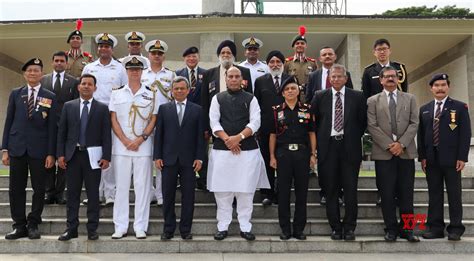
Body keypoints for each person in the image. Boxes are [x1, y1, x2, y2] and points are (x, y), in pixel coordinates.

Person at [207, 67, 270, 241]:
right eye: (230, 76)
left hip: (247, 151)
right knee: (223, 192)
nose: (234, 79)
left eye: (237, 76)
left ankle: (245, 226)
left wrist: (239, 137)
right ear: (226, 79)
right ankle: (223, 226)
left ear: (242, 79)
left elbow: (256, 121)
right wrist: (229, 140)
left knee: (245, 192)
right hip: (222, 151)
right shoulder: (217, 98)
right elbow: (213, 121)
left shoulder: (251, 99)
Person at [2, 58, 57, 240]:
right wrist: (5, 149)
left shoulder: (49, 96)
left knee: (39, 189)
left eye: (36, 70)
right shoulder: (16, 94)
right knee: (15, 189)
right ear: (24, 74)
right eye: (29, 71)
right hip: (17, 148)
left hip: (39, 150)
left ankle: (33, 223)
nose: (33, 73)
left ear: (42, 74)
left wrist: (51, 153)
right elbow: (8, 122)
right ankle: (19, 225)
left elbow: (51, 127)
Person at [311, 64, 366, 241]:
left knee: (350, 190)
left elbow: (362, 122)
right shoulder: (320, 96)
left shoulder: (357, 96)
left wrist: (350, 137)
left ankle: (349, 228)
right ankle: (335, 227)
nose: (335, 79)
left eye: (339, 76)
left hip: (350, 148)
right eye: (332, 77)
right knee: (331, 190)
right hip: (328, 149)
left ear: (345, 78)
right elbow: (314, 121)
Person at [366, 66, 419, 242]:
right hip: (384, 154)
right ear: (380, 80)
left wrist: (401, 144)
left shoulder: (410, 98)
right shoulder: (372, 100)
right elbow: (372, 126)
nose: (390, 79)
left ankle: (408, 229)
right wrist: (390, 145)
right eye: (386, 76)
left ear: (398, 79)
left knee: (407, 193)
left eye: (393, 76)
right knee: (386, 194)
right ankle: (390, 229)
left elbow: (414, 123)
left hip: (406, 153)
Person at [57, 74, 111, 241]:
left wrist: (106, 157)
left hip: (93, 157)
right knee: (72, 194)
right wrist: (60, 155)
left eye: (90, 84)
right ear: (79, 87)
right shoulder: (69, 106)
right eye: (84, 83)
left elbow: (106, 135)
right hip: (73, 156)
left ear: (95, 88)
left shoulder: (102, 108)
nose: (86, 86)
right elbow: (62, 133)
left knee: (93, 194)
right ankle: (71, 228)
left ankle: (92, 229)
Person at [418, 73, 471, 241]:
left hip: (452, 160)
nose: (440, 88)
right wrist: (422, 157)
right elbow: (421, 135)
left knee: (454, 194)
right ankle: (435, 228)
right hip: (431, 160)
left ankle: (455, 228)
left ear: (448, 87)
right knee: (434, 194)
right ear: (431, 88)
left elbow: (465, 134)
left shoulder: (460, 107)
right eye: (436, 85)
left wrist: (462, 157)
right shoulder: (424, 109)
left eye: (443, 85)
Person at [108, 56, 156, 239]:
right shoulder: (117, 93)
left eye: (137, 69)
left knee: (142, 188)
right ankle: (120, 226)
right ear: (126, 71)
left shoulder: (151, 93)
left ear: (142, 71)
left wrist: (140, 139)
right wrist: (125, 141)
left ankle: (140, 226)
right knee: (121, 188)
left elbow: (153, 118)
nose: (134, 72)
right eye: (131, 69)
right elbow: (113, 119)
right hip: (121, 148)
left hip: (143, 148)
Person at [154, 76, 205, 240]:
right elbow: (159, 135)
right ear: (172, 91)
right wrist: (157, 156)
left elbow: (200, 137)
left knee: (188, 196)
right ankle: (168, 229)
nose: (179, 91)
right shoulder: (164, 109)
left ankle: (185, 230)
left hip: (189, 160)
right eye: (176, 89)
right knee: (167, 195)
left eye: (182, 88)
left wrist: (199, 158)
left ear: (188, 90)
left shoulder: (197, 109)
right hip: (168, 159)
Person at [82, 32, 127, 205]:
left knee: (109, 154)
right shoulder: (90, 68)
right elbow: (85, 90)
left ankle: (110, 193)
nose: (103, 49)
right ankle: (95, 192)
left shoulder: (120, 68)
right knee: (93, 152)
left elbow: (123, 92)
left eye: (107, 46)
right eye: (101, 46)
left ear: (111, 49)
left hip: (111, 115)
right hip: (92, 114)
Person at [269, 76, 316, 240]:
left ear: (298, 91)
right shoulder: (276, 111)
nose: (290, 91)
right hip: (283, 155)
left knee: (301, 194)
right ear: (282, 93)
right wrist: (272, 156)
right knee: (283, 194)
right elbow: (273, 135)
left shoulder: (307, 109)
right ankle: (285, 229)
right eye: (287, 89)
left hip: (302, 155)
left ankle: (299, 229)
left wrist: (313, 154)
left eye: (293, 88)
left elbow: (311, 133)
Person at [305, 46, 353, 205]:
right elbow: (308, 100)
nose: (327, 56)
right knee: (324, 163)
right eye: (324, 54)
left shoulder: (346, 75)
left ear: (335, 56)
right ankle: (324, 192)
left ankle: (339, 193)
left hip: (340, 125)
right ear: (319, 58)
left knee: (339, 164)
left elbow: (351, 99)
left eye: (330, 54)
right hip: (321, 126)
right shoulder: (313, 76)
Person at [41, 51, 79, 205]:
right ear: (52, 62)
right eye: (56, 60)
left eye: (62, 61)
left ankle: (60, 193)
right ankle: (49, 192)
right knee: (48, 159)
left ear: (67, 63)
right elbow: (41, 102)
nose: (59, 63)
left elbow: (76, 104)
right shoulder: (44, 80)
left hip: (67, 126)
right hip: (48, 126)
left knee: (64, 160)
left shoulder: (74, 82)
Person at [142, 39, 176, 205]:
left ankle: (161, 194)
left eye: (160, 53)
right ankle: (148, 194)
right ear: (149, 55)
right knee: (146, 159)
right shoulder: (141, 74)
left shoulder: (170, 75)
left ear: (163, 56)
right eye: (154, 53)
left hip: (164, 122)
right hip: (144, 121)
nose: (156, 56)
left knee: (162, 159)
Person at [253, 50, 289, 206]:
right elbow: (256, 106)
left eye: (278, 62)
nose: (275, 65)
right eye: (272, 62)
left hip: (286, 128)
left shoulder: (290, 79)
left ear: (283, 64)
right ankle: (267, 194)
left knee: (283, 161)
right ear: (267, 65)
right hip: (266, 129)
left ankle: (281, 193)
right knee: (267, 161)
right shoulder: (261, 81)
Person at [201, 40, 253, 131]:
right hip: (217, 121)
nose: (226, 55)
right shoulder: (209, 74)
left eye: (229, 52)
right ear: (219, 55)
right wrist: (206, 126)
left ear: (233, 55)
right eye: (223, 52)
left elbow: (250, 97)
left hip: (240, 121)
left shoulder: (244, 72)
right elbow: (205, 102)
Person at [175, 46, 207, 190]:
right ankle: (182, 179)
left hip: (200, 118)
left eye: (194, 56)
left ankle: (204, 179)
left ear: (198, 58)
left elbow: (207, 100)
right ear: (184, 59)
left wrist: (207, 125)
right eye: (188, 56)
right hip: (183, 118)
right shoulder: (177, 74)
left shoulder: (206, 74)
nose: (191, 59)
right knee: (183, 148)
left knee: (201, 149)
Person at [284, 26, 317, 102]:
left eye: (302, 43)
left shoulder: (312, 63)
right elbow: (284, 81)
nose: (300, 45)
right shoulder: (287, 63)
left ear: (306, 46)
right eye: (297, 43)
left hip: (308, 98)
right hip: (293, 98)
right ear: (293, 47)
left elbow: (315, 82)